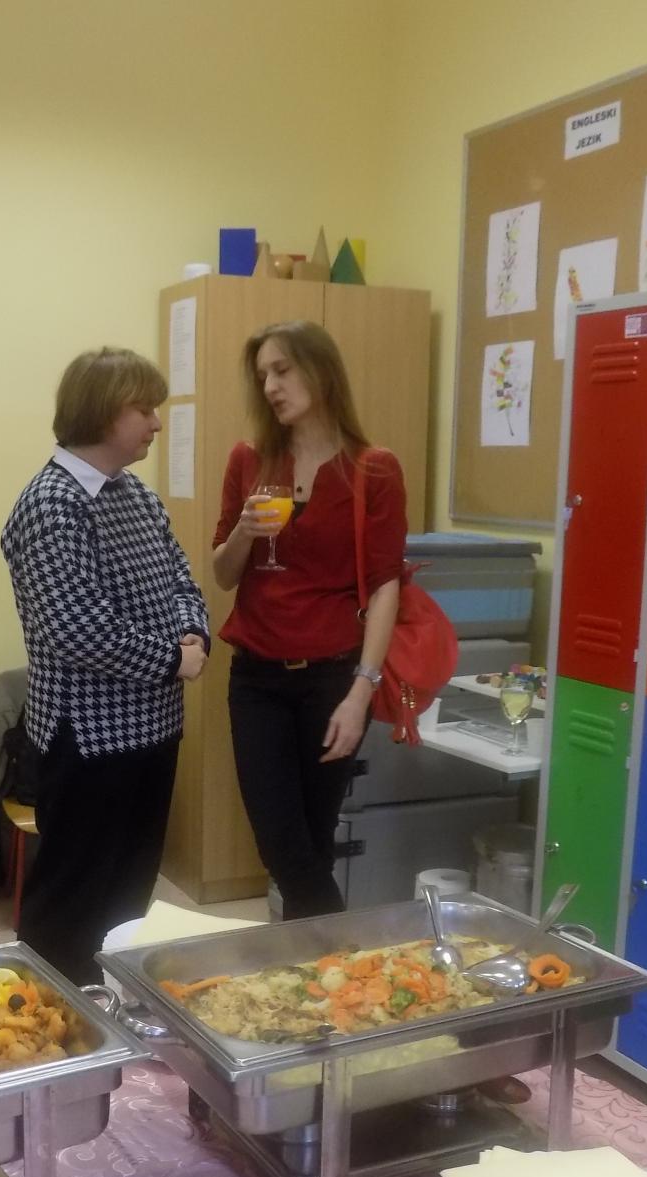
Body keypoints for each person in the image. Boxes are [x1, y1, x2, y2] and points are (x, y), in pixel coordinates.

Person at [0, 348, 210, 987]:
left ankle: (113, 1007)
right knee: (71, 899)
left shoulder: (135, 494)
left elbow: (181, 579)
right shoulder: (51, 503)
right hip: (88, 742)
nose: (156, 423)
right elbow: (77, 630)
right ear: (101, 411)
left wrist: (193, 630)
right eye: (144, 409)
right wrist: (174, 659)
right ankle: (47, 1017)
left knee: (128, 898)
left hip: (153, 729)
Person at [211, 320, 404, 922]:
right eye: (263, 375)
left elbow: (386, 585)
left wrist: (361, 692)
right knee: (284, 846)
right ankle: (344, 955)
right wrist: (245, 531)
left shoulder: (374, 469)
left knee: (313, 842)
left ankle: (309, 966)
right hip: (257, 680)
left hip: (334, 681)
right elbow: (222, 574)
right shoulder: (249, 459)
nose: (270, 386)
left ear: (321, 371)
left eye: (282, 370)